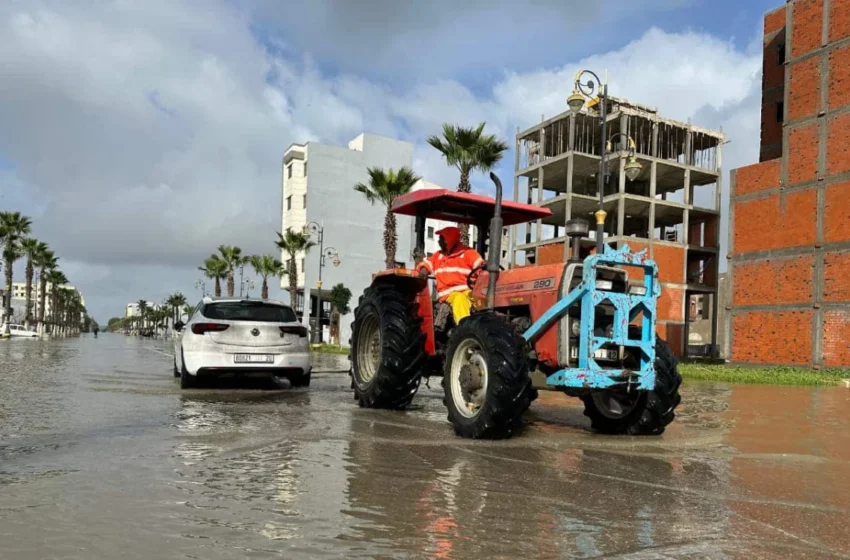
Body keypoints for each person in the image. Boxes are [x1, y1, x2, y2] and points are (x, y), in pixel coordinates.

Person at [417, 226, 484, 325]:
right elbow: (426, 265)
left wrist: (485, 269)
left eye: (442, 239)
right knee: (459, 299)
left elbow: (481, 268)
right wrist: (423, 271)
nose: (439, 242)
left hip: (469, 292)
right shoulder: (438, 256)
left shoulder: (468, 253)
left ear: (450, 240)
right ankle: (464, 330)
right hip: (449, 295)